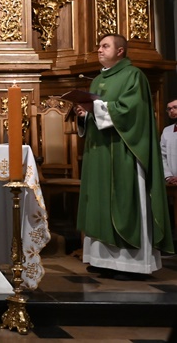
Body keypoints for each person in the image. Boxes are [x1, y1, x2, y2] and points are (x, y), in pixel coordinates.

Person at [74, 34, 174, 279]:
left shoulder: (133, 76)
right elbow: (95, 113)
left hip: (124, 150)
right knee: (99, 203)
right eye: (98, 46)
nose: (99, 50)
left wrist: (96, 108)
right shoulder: (98, 79)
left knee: (125, 201)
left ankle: (131, 264)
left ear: (120, 51)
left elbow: (132, 111)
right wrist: (83, 114)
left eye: (105, 46)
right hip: (100, 152)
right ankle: (102, 260)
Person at [161, 99, 177, 187]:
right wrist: (168, 176)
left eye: (175, 107)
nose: (171, 110)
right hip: (172, 182)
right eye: (169, 109)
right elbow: (162, 155)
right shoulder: (167, 130)